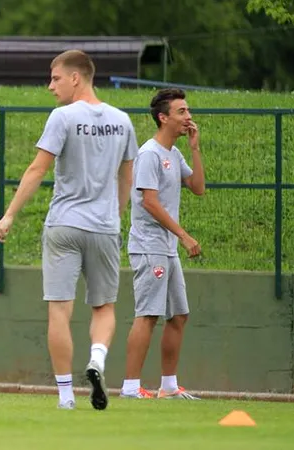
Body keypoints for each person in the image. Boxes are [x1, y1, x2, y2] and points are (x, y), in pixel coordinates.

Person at [0, 50, 137, 410]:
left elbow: (37, 169)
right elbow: (127, 177)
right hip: (104, 228)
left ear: (76, 78)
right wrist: (115, 217)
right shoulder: (123, 121)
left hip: (64, 225)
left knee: (60, 310)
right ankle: (97, 361)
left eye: (55, 78)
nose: (50, 85)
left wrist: (9, 215)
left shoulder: (63, 117)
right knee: (104, 307)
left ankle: (66, 396)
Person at [120, 88, 205, 400]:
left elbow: (197, 188)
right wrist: (184, 235)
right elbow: (150, 203)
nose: (188, 117)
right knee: (148, 315)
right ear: (163, 117)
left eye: (188, 111)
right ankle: (130, 388)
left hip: (167, 249)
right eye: (182, 112)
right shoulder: (149, 155)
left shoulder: (174, 154)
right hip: (149, 247)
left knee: (179, 316)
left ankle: (169, 387)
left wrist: (195, 149)